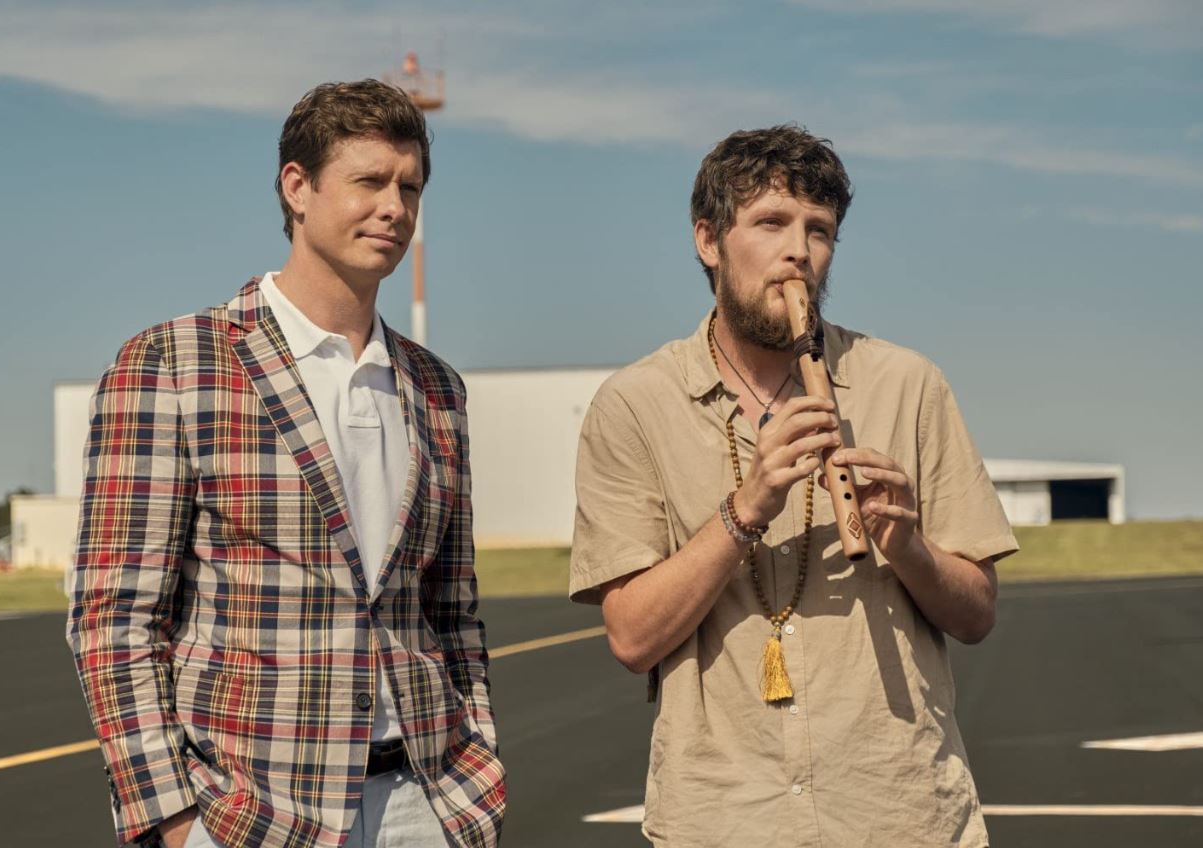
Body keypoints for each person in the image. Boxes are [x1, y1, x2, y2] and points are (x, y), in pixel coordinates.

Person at [67, 79, 504, 848]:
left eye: (409, 187)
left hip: (426, 804)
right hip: (251, 815)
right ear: (297, 188)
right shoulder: (172, 364)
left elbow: (453, 611)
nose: (394, 208)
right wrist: (171, 821)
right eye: (369, 182)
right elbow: (114, 619)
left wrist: (479, 769)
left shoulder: (437, 389)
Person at [570, 124, 1016, 846]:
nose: (798, 252)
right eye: (771, 223)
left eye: (819, 230)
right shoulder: (635, 403)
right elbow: (632, 637)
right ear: (708, 241)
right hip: (723, 819)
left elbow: (976, 616)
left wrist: (908, 548)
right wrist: (746, 509)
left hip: (898, 813)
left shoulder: (907, 383)